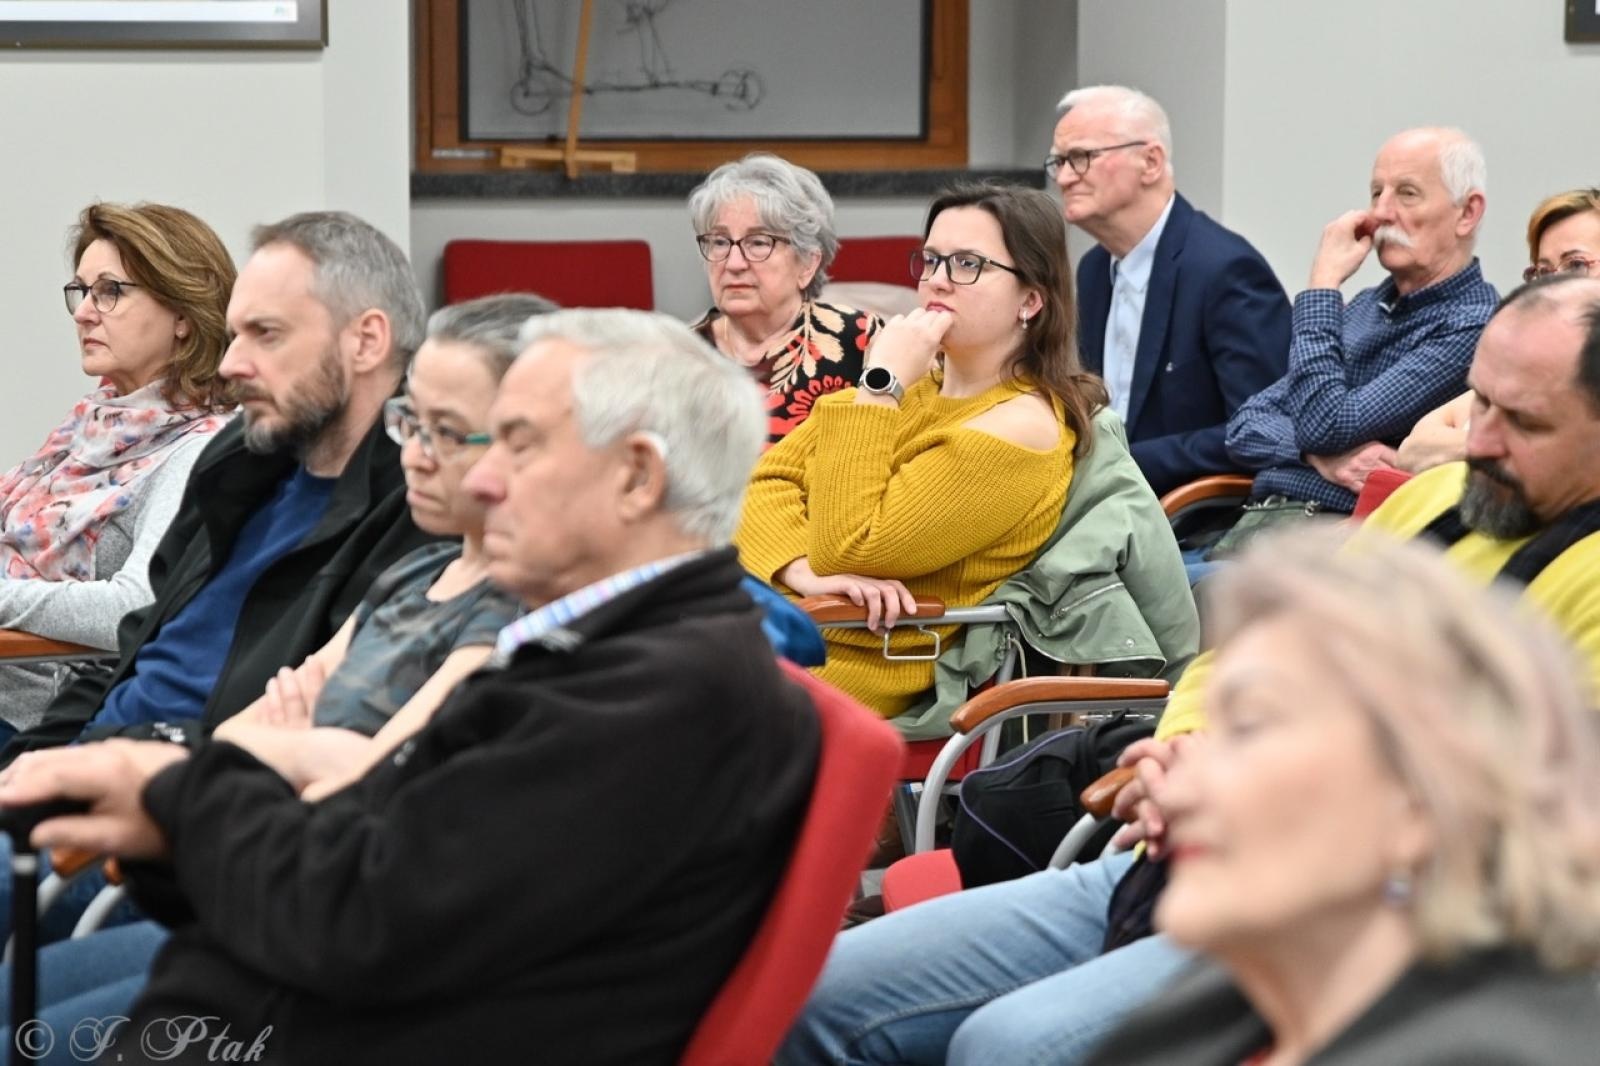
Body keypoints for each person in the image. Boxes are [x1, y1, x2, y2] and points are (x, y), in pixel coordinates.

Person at [775, 273, 1600, 1066]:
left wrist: (1246, 791)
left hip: (1359, 916)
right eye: (1477, 401)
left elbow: (1525, 831)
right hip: (1196, 849)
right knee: (814, 997)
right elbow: (1256, 655)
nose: (1477, 439)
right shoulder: (1444, 495)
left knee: (1002, 1047)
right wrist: (1192, 745)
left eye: (1521, 422)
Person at [0, 309, 820, 1065]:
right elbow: (371, 855)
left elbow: (366, 915)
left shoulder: (662, 688)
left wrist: (174, 791)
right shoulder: (600, 644)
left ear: (637, 477)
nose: (483, 479)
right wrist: (179, 802)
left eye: (519, 445)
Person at [1084, 528, 1600, 1065]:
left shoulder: (1495, 1052)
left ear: (1421, 803)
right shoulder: (1201, 1012)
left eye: (1249, 727)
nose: (1178, 786)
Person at [0, 209, 438, 766]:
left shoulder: (415, 513)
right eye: (235, 335)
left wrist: (122, 777)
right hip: (79, 762)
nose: (231, 363)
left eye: (266, 334)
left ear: (367, 340)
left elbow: (304, 733)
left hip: (167, 794)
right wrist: (32, 766)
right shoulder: (240, 464)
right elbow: (135, 651)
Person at [735, 182, 1107, 718]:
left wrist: (878, 388)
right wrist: (798, 568)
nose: (936, 281)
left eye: (967, 265)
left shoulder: (1020, 427)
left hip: (858, 665)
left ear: (1030, 300)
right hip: (795, 625)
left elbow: (850, 545)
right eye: (931, 260)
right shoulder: (920, 384)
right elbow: (761, 484)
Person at [209, 293, 542, 796]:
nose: (414, 456)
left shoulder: (515, 604)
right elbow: (226, 737)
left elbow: (376, 783)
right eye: (411, 422)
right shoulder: (417, 571)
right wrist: (312, 752)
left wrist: (297, 744)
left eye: (446, 433)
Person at [0, 203, 235, 733]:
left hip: (40, 722)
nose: (84, 312)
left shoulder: (199, 450)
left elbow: (133, 608)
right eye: (81, 291)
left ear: (183, 313)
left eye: (110, 291)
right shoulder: (94, 424)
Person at [1222, 127, 1498, 522]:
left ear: (1467, 213)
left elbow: (1327, 424)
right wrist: (1316, 456)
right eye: (1376, 192)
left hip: (1338, 537)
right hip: (1259, 520)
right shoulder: (1368, 305)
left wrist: (1322, 284)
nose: (1381, 213)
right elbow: (1244, 426)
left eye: (1407, 193)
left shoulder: (1472, 325)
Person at [1052, 85, 1290, 496]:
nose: (1064, 177)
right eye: (1058, 161)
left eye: (1082, 158)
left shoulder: (1224, 269)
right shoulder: (1093, 270)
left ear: (1150, 161)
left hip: (1196, 515)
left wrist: (1125, 461)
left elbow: (1269, 428)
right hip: (1107, 504)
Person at [1398, 186, 1600, 474]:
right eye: (1543, 272)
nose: (1552, 285)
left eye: (1576, 264)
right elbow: (1414, 449)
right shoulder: (1529, 364)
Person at [688, 153, 881, 444]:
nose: (734, 262)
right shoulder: (680, 353)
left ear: (807, 264)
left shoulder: (860, 341)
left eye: (759, 242)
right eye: (719, 242)